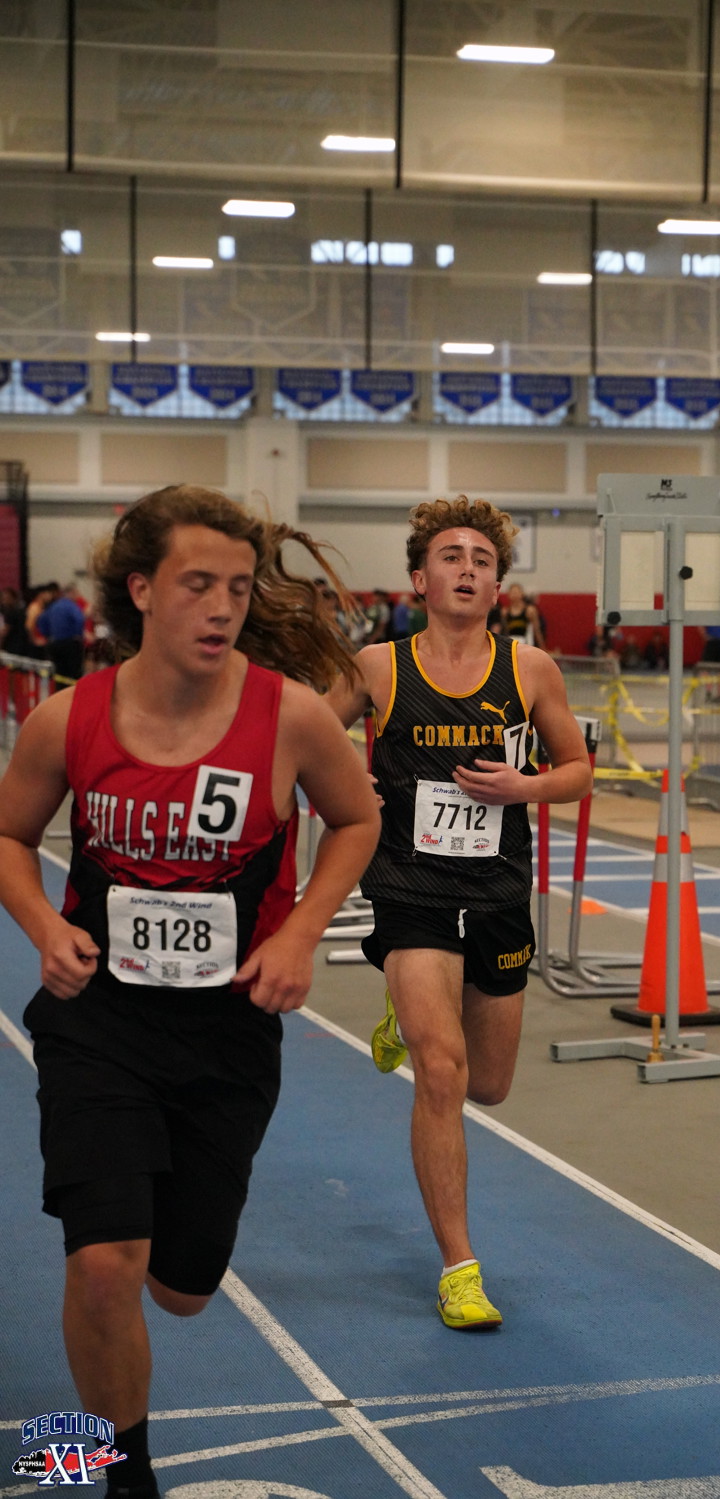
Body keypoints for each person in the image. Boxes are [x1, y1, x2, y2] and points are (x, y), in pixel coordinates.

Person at [0, 485, 380, 1498]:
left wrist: (299, 930)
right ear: (141, 589)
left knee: (179, 1290)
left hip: (228, 1032)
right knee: (104, 1265)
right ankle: (114, 1472)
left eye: (239, 588)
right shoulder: (70, 718)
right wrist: (46, 927)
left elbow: (357, 820)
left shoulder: (289, 716)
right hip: (100, 1021)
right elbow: (7, 834)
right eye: (198, 584)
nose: (222, 607)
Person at [330, 495, 591, 1331]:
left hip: (499, 891)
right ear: (419, 578)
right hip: (409, 888)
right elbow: (305, 737)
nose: (468, 568)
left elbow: (578, 768)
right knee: (440, 1071)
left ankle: (410, 1014)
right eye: (451, 555)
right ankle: (460, 1268)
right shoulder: (378, 667)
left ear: (498, 586)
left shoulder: (530, 670)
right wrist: (347, 775)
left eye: (482, 558)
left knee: (489, 1085)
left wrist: (526, 785)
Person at [36, 581, 87, 684]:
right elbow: (79, 619)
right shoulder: (71, 606)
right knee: (74, 673)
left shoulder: (53, 606)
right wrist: (79, 635)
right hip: (70, 644)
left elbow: (41, 620)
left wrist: (47, 634)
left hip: (55, 644)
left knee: (59, 674)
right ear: (71, 593)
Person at [500, 581, 546, 650]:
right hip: (511, 644)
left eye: (516, 592)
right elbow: (505, 632)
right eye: (512, 593)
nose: (514, 595)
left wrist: (542, 648)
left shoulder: (530, 611)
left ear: (522, 594)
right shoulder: (505, 612)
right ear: (508, 595)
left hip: (526, 644)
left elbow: (537, 631)